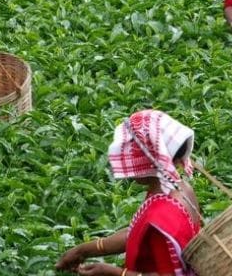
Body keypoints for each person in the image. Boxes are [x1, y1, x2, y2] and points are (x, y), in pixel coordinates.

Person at [56, 109, 203, 276]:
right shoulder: (181, 189)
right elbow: (136, 234)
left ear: (147, 160)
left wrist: (115, 272)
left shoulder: (161, 217)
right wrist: (83, 251)